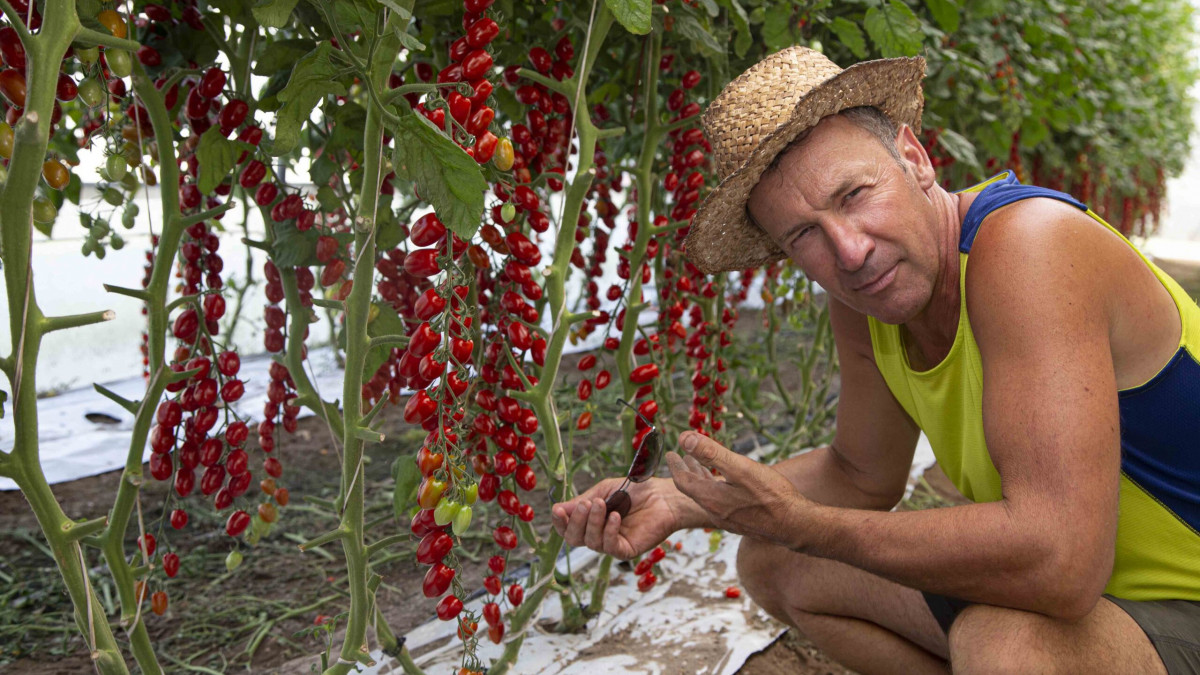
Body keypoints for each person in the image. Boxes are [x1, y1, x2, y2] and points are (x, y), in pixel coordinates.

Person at [550, 46, 1200, 674]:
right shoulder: (869, 300)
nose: (850, 250)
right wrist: (679, 499)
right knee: (777, 564)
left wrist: (808, 525)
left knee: (1006, 645)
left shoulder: (1032, 246)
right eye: (804, 234)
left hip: (1179, 600)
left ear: (915, 158)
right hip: (1095, 608)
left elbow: (1060, 563)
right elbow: (862, 472)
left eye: (854, 194)